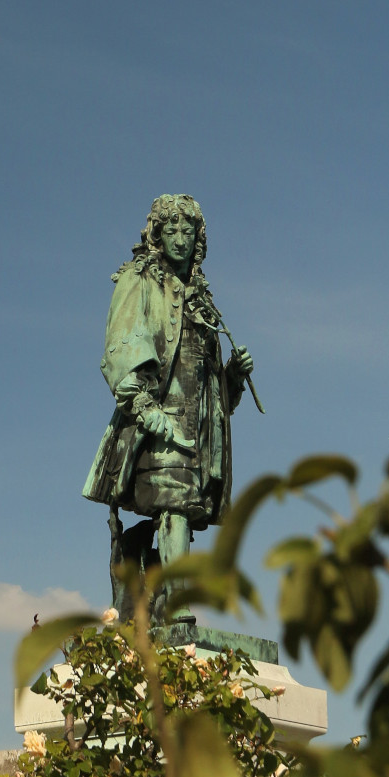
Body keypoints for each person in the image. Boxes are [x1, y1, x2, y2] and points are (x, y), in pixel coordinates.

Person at [82, 194, 254, 618]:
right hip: (157, 420)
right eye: (171, 228)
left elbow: (218, 401)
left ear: (198, 239)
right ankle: (177, 609)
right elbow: (119, 353)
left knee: (183, 509)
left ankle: (151, 585)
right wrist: (149, 413)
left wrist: (232, 376)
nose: (180, 237)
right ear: (157, 235)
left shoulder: (203, 300)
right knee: (174, 504)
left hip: (197, 424)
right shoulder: (137, 279)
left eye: (187, 229)